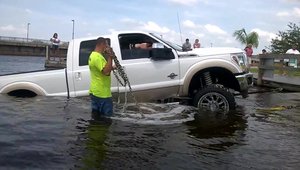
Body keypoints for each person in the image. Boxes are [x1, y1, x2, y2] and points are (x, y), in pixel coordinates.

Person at [88, 37, 114, 119]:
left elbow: (101, 69)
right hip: (103, 94)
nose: (107, 47)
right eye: (106, 45)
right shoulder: (98, 57)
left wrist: (112, 67)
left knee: (96, 117)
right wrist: (110, 57)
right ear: (102, 44)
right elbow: (106, 72)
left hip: (95, 92)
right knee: (107, 119)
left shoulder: (93, 55)